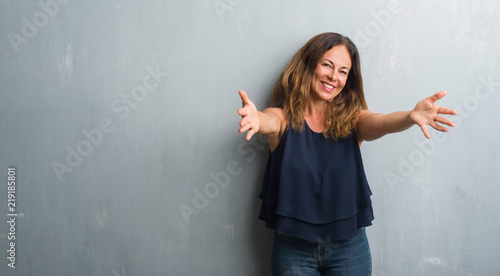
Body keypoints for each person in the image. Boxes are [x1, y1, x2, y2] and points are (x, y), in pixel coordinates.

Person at [237, 32, 457, 275]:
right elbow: (269, 121)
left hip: (349, 249)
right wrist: (256, 119)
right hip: (293, 248)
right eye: (327, 65)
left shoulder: (353, 120)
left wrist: (410, 117)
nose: (334, 76)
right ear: (309, 65)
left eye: (343, 71)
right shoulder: (283, 118)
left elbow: (381, 122)